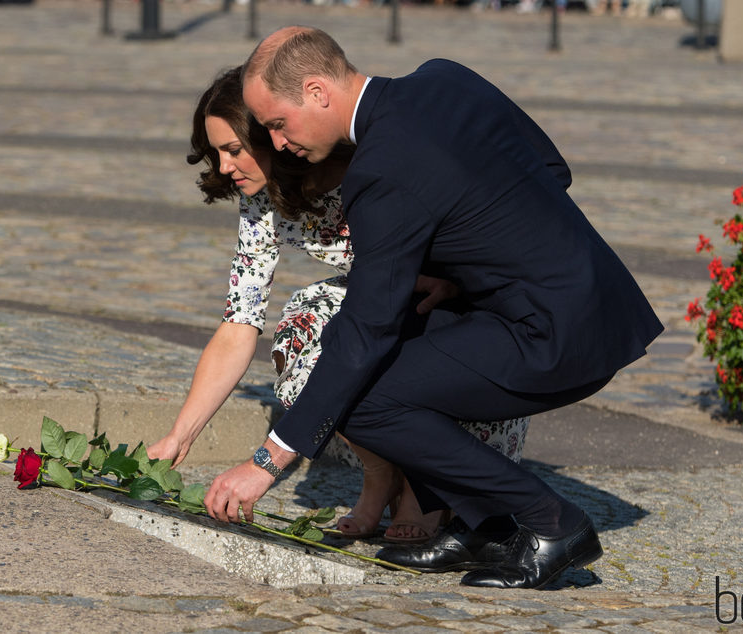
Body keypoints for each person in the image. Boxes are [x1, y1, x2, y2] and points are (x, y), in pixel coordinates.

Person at [208, 26, 664, 590]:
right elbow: (551, 170)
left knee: (363, 398)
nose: (276, 144)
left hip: (554, 332)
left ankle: (554, 523)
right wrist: (458, 276)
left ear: (318, 91)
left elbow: (365, 328)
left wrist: (268, 461)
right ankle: (488, 526)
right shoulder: (444, 77)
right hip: (589, 301)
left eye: (278, 123)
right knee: (402, 338)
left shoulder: (378, 173)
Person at [147, 67, 532, 544]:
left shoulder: (371, 167)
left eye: (232, 150)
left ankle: (423, 485)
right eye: (215, 153)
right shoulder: (261, 201)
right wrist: (180, 436)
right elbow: (239, 323)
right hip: (375, 313)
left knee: (394, 330)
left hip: (455, 322)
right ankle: (380, 472)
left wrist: (454, 282)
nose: (223, 167)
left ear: (274, 134)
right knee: (306, 325)